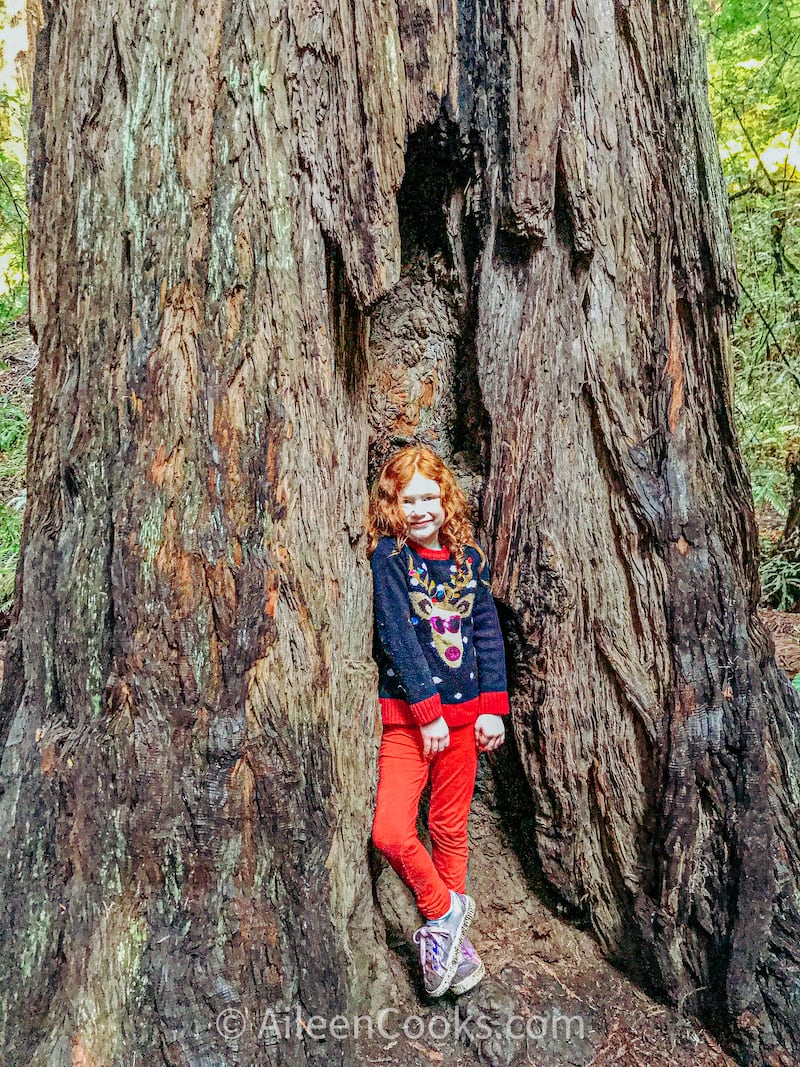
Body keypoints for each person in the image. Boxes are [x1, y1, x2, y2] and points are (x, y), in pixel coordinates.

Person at [367, 445, 509, 997]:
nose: (421, 509)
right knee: (392, 831)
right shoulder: (391, 560)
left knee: (449, 827)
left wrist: (495, 707)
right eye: (409, 499)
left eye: (430, 497)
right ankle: (446, 909)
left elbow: (487, 635)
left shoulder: (469, 561)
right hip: (410, 722)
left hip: (468, 718)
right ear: (392, 504)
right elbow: (398, 638)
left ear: (446, 499)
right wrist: (427, 714)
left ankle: (444, 942)